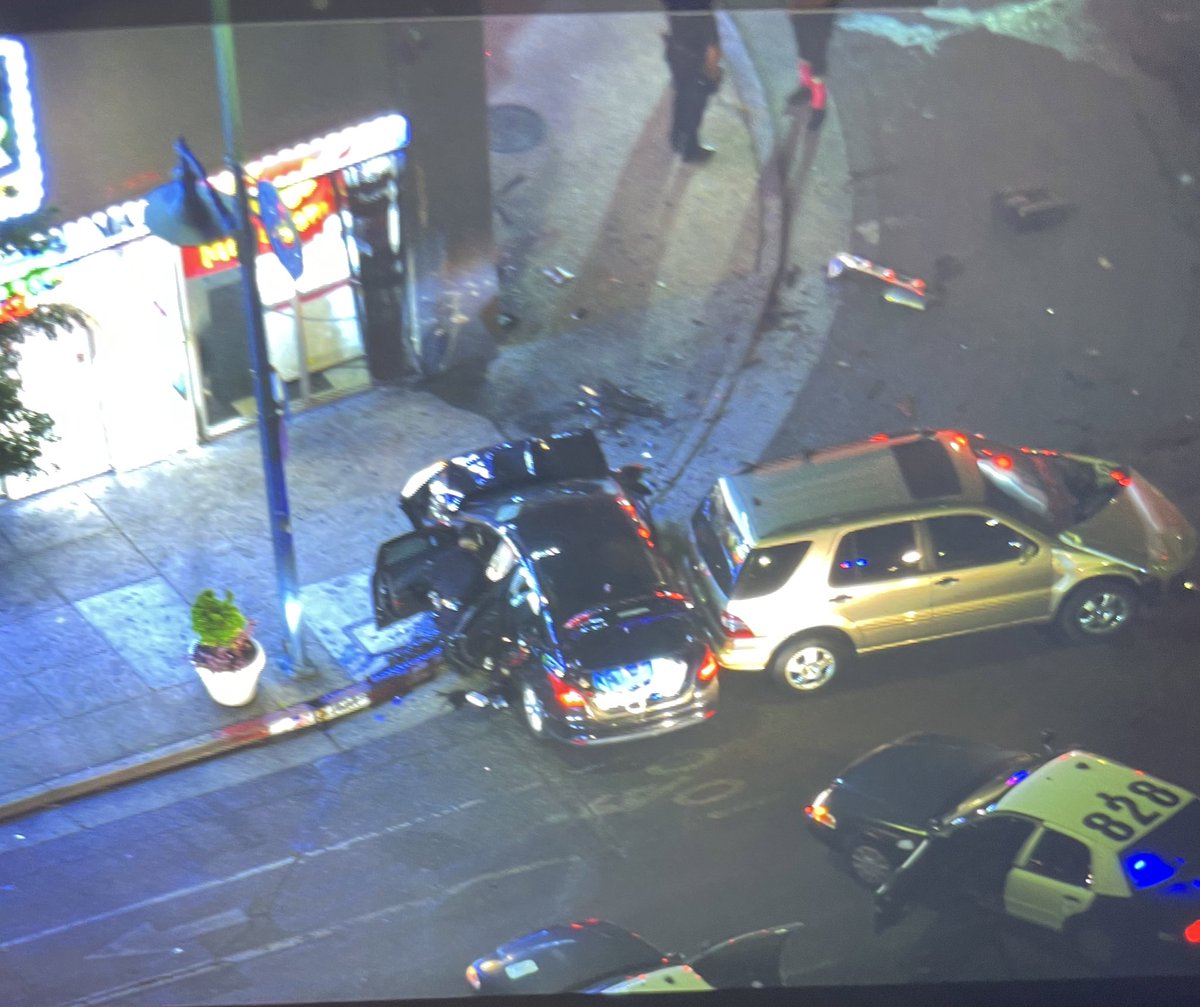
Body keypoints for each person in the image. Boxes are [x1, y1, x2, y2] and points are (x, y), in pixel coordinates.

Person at [662, 0, 723, 163]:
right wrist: (712, 69)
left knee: (681, 95)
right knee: (695, 103)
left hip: (677, 50)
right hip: (695, 56)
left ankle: (676, 138)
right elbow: (709, 38)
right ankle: (689, 149)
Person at [786, 0, 839, 130]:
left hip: (815, 14)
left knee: (814, 56)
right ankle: (809, 92)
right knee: (807, 52)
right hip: (806, 13)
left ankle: (817, 107)